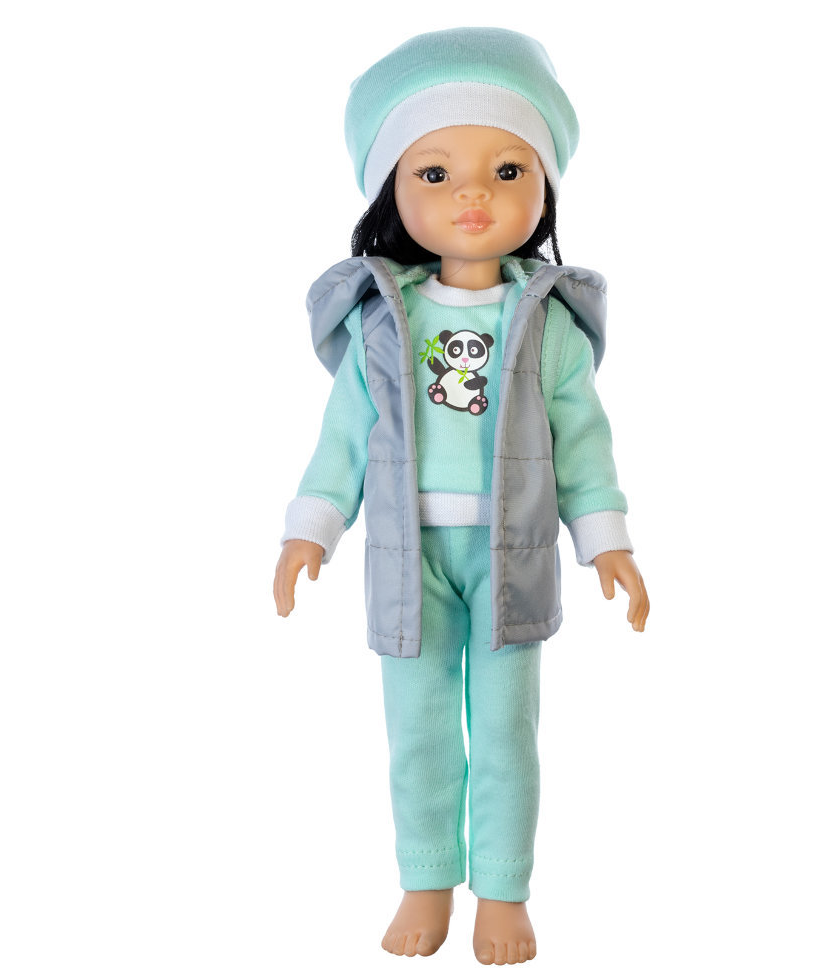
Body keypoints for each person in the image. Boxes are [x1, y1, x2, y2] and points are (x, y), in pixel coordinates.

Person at [273, 28, 649, 964]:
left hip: (511, 554)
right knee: (419, 726)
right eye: (435, 173)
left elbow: (583, 439)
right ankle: (426, 877)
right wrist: (311, 528)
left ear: (544, 186)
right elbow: (344, 439)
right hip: (408, 554)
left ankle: (504, 889)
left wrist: (606, 538)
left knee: (509, 728)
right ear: (391, 193)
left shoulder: (548, 326)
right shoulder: (382, 322)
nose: (472, 195)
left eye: (506, 171)